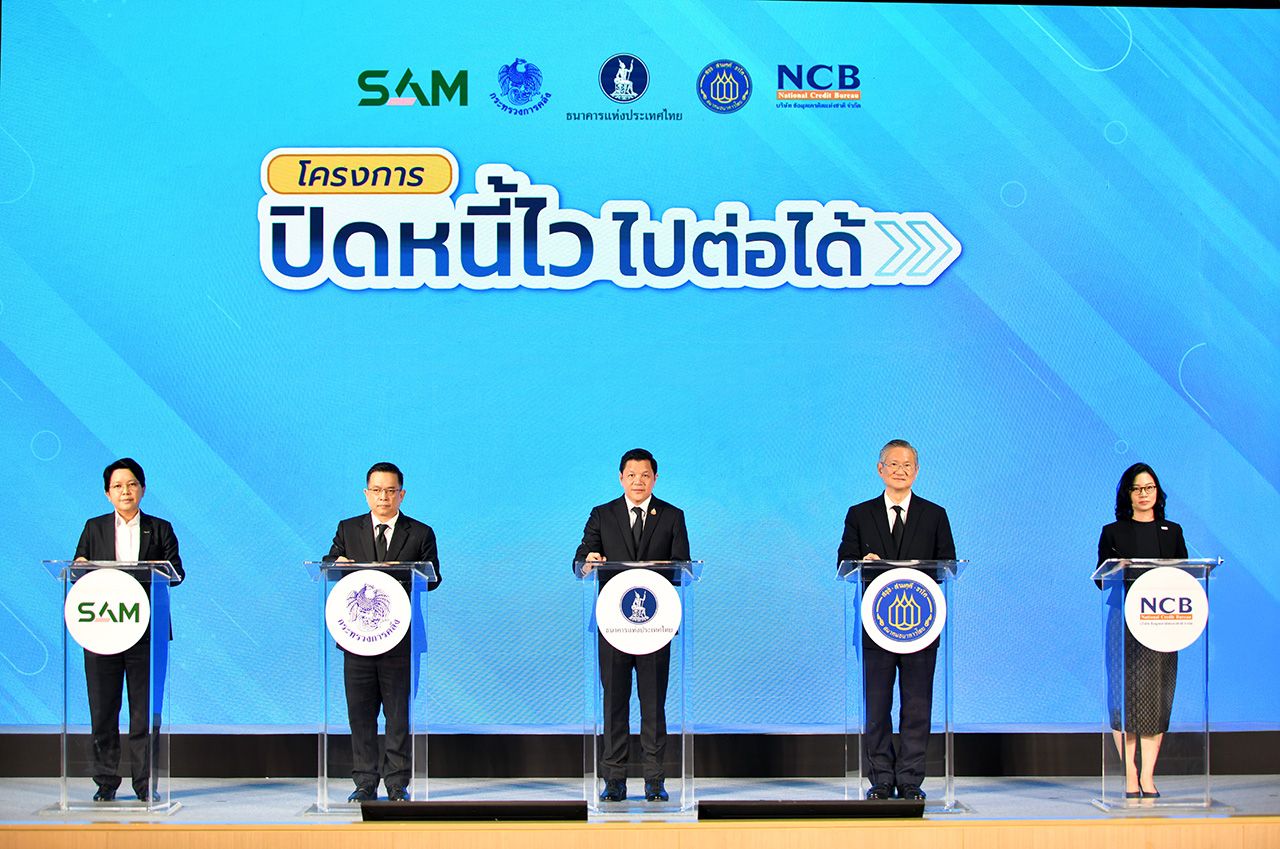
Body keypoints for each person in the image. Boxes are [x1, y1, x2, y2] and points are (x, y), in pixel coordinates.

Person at [837, 439, 955, 802]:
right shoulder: (860, 514)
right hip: (876, 627)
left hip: (921, 627)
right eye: (893, 464)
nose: (900, 471)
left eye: (907, 465)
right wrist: (863, 562)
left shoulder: (935, 515)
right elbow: (844, 563)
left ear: (916, 471)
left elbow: (948, 564)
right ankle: (880, 781)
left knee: (917, 706)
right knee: (877, 708)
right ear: (880, 469)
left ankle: (911, 781)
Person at [574, 448, 691, 803]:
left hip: (655, 625)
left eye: (645, 475)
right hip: (614, 626)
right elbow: (580, 559)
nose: (638, 481)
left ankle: (655, 780)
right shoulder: (603, 514)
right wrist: (588, 560)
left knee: (653, 704)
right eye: (631, 475)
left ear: (655, 478)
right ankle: (614, 781)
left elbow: (683, 567)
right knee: (614, 703)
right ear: (621, 478)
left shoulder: (672, 516)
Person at [324, 462, 440, 802]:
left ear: (401, 494)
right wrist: (335, 564)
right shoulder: (348, 529)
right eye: (376, 490)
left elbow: (434, 577)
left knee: (398, 715)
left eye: (390, 491)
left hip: (400, 639)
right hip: (357, 638)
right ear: (366, 494)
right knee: (361, 715)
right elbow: (329, 562)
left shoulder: (420, 533)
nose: (383, 497)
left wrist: (409, 572)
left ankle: (397, 783)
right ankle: (364, 782)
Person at [73, 458, 184, 802]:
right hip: (102, 628)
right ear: (107, 494)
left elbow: (177, 573)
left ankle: (144, 785)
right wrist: (79, 566)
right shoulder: (94, 528)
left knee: (143, 713)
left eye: (132, 484)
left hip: (146, 632)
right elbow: (77, 569)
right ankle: (106, 782)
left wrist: (155, 570)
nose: (126, 491)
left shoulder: (160, 528)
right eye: (118, 486)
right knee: (103, 710)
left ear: (143, 489)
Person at [1097, 462, 1187, 800]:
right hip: (1125, 621)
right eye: (1137, 488)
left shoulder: (1172, 532)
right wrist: (1115, 571)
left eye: (1149, 488)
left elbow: (1185, 576)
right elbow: (1100, 580)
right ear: (1128, 494)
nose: (1144, 494)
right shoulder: (1113, 532)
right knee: (1125, 697)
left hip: (1163, 622)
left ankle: (1148, 776)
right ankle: (1130, 774)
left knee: (1156, 699)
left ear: (1158, 492)